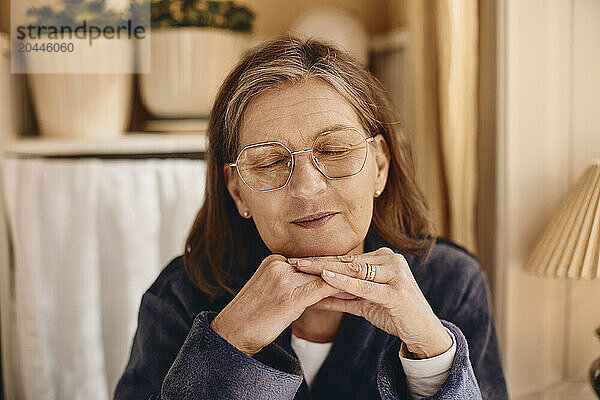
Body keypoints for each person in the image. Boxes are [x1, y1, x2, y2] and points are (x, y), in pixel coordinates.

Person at [114, 37, 508, 400]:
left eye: (335, 150)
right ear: (237, 191)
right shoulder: (179, 296)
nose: (307, 187)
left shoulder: (452, 283)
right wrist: (229, 343)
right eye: (270, 161)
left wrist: (435, 360)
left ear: (381, 165)